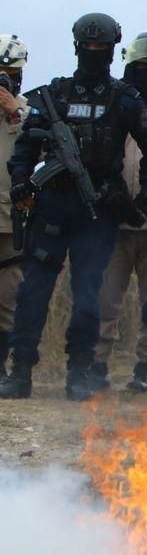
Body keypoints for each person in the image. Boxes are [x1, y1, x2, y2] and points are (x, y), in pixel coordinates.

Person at [0, 13, 147, 400]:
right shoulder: (53, 96)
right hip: (52, 204)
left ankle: (79, 372)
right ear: (76, 47)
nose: (93, 53)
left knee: (88, 292)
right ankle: (20, 371)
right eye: (88, 46)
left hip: (99, 208)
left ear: (111, 50)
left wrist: (140, 200)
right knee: (34, 291)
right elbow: (25, 149)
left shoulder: (125, 99)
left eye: (100, 48)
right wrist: (23, 180)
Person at [91, 30, 147, 393]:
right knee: (104, 301)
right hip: (112, 226)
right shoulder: (114, 108)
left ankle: (145, 368)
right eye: (143, 66)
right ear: (130, 67)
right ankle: (96, 366)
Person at [0, 35, 30, 378]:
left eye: (10, 71)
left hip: (13, 219)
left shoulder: (31, 111)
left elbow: (44, 152)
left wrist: (14, 112)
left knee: (8, 300)